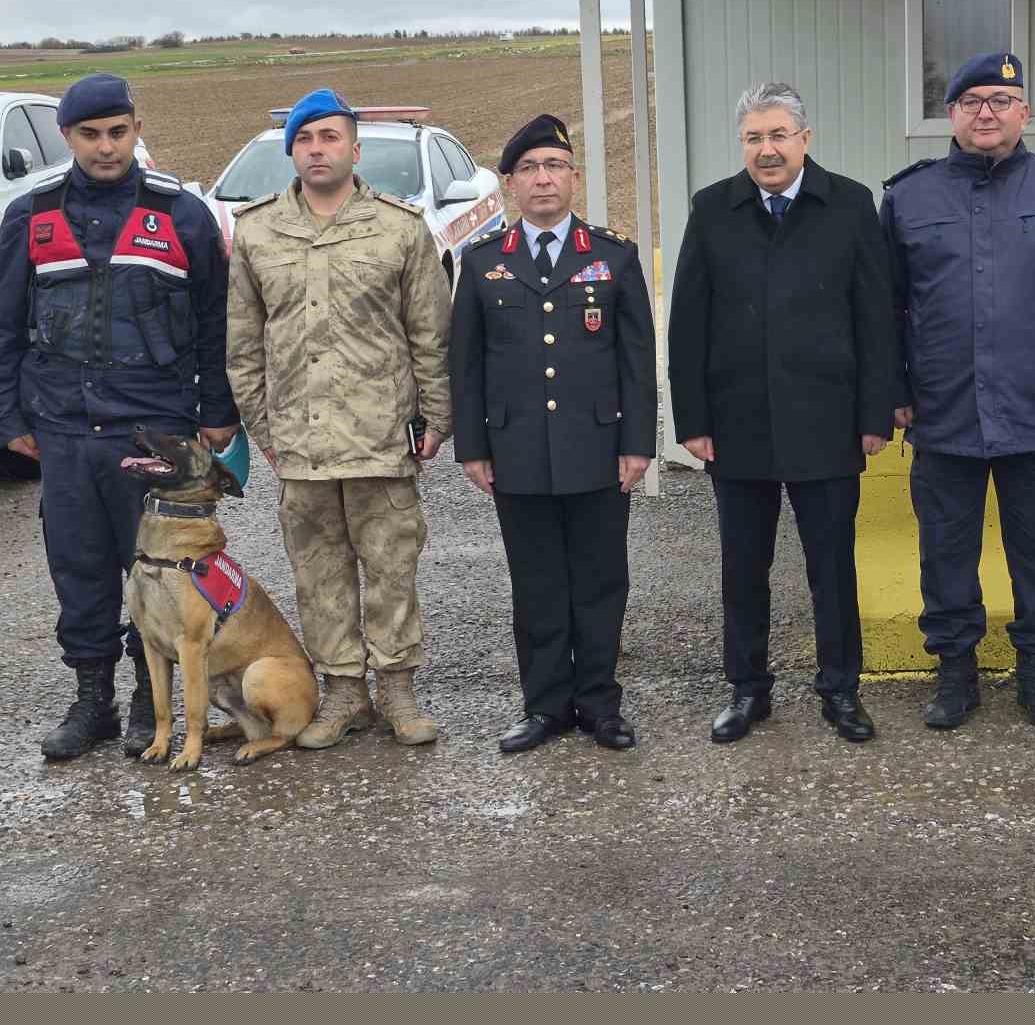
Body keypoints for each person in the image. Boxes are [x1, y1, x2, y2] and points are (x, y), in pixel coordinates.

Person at [0, 74, 238, 761]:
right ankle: (91, 700)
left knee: (157, 566)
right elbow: (6, 327)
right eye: (89, 135)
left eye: (117, 132)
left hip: (153, 425)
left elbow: (215, 320)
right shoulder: (30, 216)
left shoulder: (182, 215)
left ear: (136, 130)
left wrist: (218, 410)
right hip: (63, 426)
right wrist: (9, 416)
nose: (105, 147)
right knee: (77, 566)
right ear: (67, 137)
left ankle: (145, 697)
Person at [669, 82, 895, 744]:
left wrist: (874, 414)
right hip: (737, 424)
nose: (766, 150)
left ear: (804, 139)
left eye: (778, 135)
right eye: (753, 138)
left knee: (832, 566)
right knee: (744, 568)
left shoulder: (849, 204)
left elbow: (875, 317)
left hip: (828, 420)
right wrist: (692, 421)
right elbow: (688, 322)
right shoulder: (713, 209)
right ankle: (747, 689)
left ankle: (840, 689)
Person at [227, 87, 451, 749]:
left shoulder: (400, 228)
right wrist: (265, 431)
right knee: (318, 573)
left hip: (381, 436)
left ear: (354, 148)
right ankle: (345, 692)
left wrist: (437, 416)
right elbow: (243, 345)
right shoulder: (257, 232)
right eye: (304, 139)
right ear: (291, 152)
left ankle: (397, 689)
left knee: (391, 567)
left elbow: (431, 334)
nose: (317, 149)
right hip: (301, 441)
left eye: (329, 137)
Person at [882, 52, 1035, 731]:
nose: (986, 112)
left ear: (1024, 112)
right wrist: (894, 390)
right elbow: (887, 307)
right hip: (944, 410)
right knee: (946, 552)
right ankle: (955, 673)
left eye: (1001, 101)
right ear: (950, 114)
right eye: (971, 101)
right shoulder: (909, 197)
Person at [450, 114, 656, 754]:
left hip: (597, 449)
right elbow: (466, 363)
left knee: (600, 583)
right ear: (510, 183)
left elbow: (636, 360)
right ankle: (544, 706)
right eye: (530, 169)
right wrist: (473, 447)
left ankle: (599, 705)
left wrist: (638, 443)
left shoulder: (613, 256)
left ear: (574, 177)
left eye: (555, 166)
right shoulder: (483, 262)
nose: (543, 179)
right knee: (537, 585)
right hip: (516, 452)